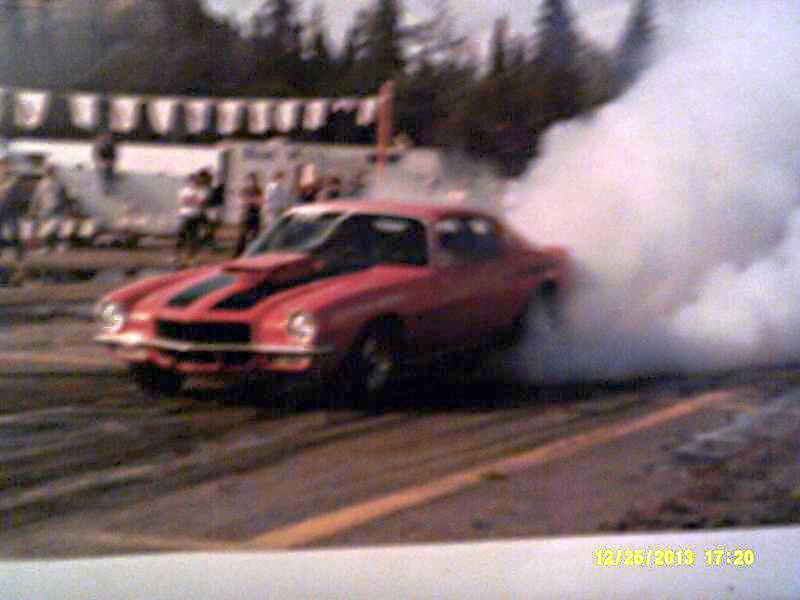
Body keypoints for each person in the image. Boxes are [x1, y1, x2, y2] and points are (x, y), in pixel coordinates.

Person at [28, 164, 68, 250]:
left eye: (53, 170)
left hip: (57, 208)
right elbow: (36, 197)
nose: (52, 172)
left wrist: (64, 207)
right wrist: (33, 209)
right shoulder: (42, 184)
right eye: (50, 170)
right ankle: (44, 245)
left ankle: (57, 244)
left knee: (58, 227)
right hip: (45, 209)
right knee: (44, 228)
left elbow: (63, 196)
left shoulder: (59, 183)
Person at [175, 172, 209, 265]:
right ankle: (177, 256)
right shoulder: (183, 191)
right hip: (184, 215)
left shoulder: (201, 191)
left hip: (195, 216)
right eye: (191, 181)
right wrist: (193, 200)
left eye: (194, 181)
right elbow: (183, 201)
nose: (193, 183)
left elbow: (201, 202)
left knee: (193, 237)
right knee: (181, 236)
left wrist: (191, 200)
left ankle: (191, 257)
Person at [0, 156, 26, 261]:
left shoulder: (13, 179)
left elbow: (19, 194)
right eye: (2, 166)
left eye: (4, 166)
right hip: (1, 208)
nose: (3, 168)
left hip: (11, 210)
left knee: (14, 231)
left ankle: (19, 253)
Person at [234, 172, 263, 257]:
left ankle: (254, 253)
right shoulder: (245, 190)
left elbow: (260, 202)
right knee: (242, 236)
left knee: (255, 235)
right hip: (246, 215)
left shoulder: (258, 190)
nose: (252, 182)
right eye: (250, 180)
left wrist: (252, 201)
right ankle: (238, 254)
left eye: (253, 180)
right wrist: (251, 201)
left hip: (256, 215)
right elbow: (242, 201)